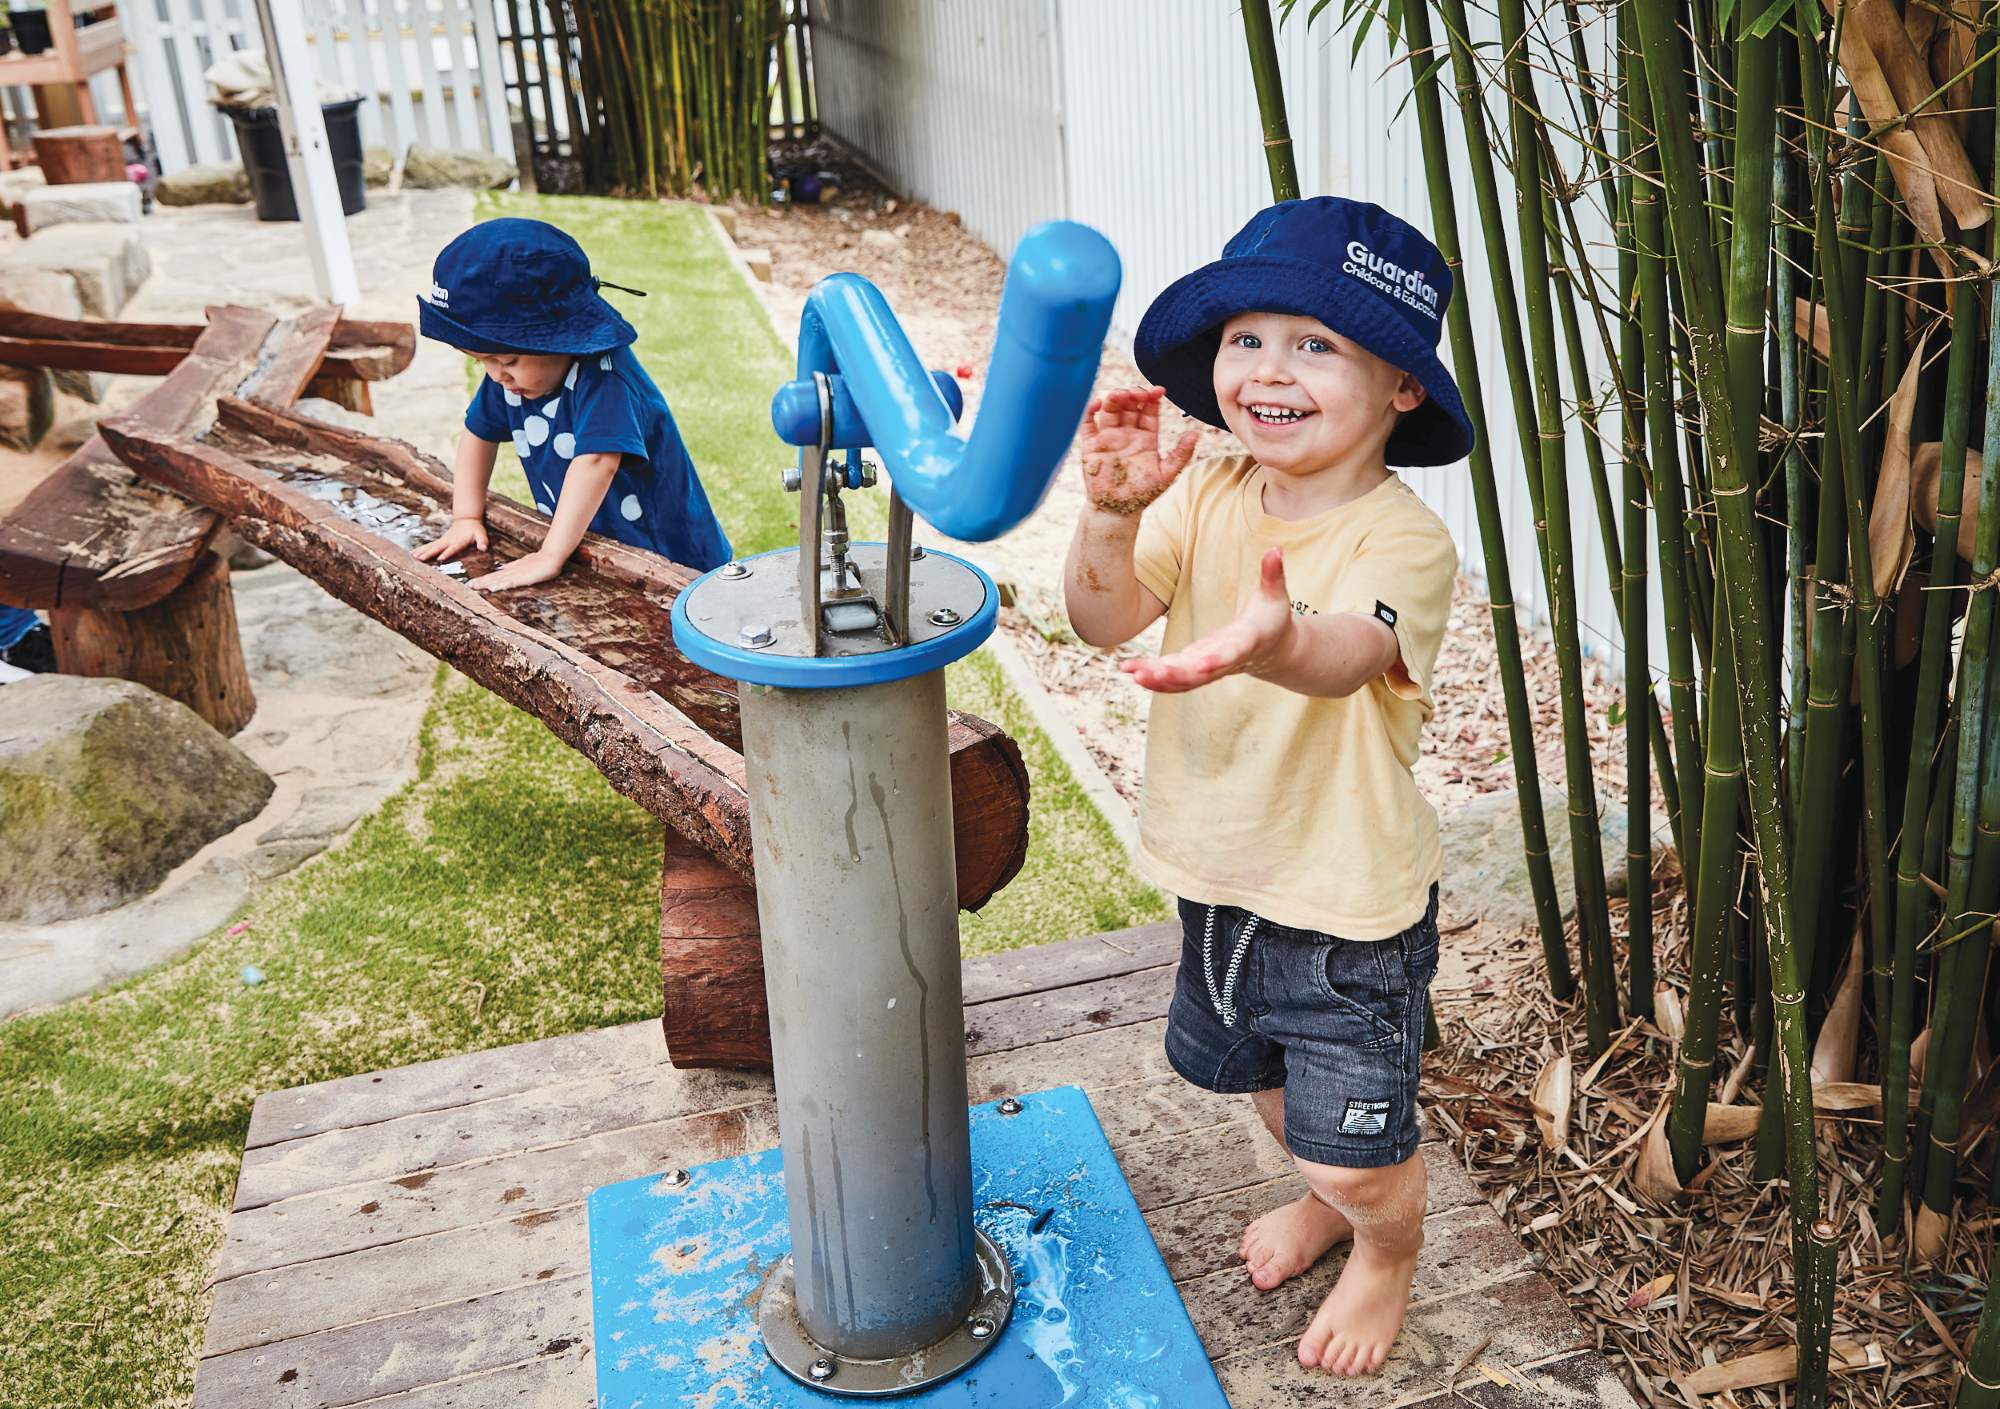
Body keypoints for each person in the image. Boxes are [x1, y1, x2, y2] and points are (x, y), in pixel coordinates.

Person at [1062, 197, 1472, 1378]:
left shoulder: (1401, 538)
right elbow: (1100, 620)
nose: (1266, 368)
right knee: (1260, 1080)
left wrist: (1269, 639)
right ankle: (1326, 1195)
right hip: (1219, 874)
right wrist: (1109, 512)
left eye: (1314, 342)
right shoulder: (1202, 491)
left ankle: (1380, 1243)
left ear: (1400, 384)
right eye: (1246, 338)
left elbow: (1347, 652)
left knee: (1354, 1144)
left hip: (1345, 907)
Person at [412, 218, 732, 590]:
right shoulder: (510, 378)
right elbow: (477, 434)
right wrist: (466, 516)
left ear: (558, 340)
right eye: (478, 359)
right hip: (599, 552)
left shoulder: (606, 378)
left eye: (507, 360)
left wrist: (549, 556)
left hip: (674, 562)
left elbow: (597, 461)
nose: (496, 374)